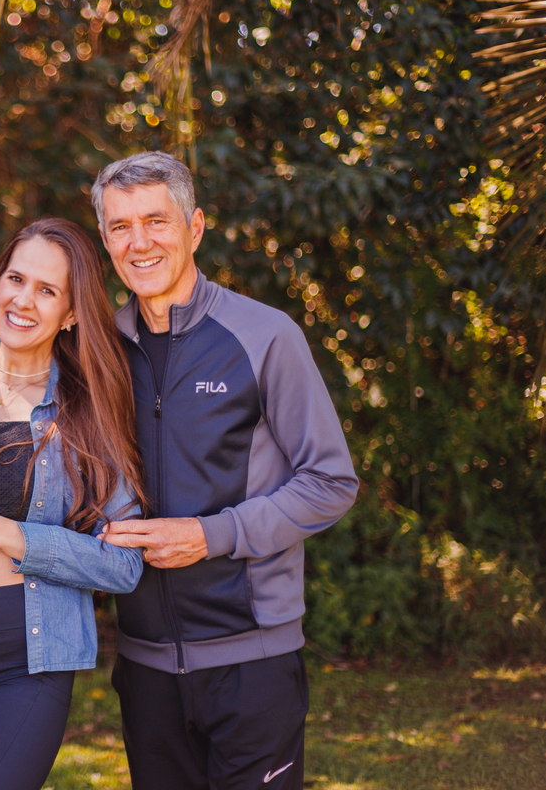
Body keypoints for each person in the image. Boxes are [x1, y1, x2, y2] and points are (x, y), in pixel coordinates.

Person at [95, 151, 360, 790]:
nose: (139, 242)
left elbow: (330, 481)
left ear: (196, 226)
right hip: (144, 665)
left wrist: (212, 536)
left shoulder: (265, 336)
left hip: (254, 662)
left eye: (156, 221)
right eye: (119, 226)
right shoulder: (99, 348)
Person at [0, 218, 147, 790]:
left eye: (47, 290)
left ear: (72, 313)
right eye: (16, 278)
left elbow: (122, 565)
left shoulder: (89, 412)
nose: (23, 299)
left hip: (25, 659)